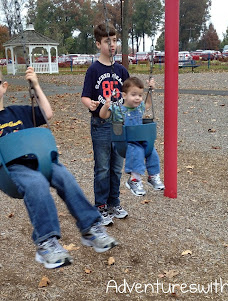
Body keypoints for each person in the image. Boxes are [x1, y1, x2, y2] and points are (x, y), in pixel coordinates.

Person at [0, 60, 118, 269]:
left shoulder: (20, 112)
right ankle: (46, 243)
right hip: (11, 170)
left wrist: (36, 85)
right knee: (37, 183)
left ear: (4, 86)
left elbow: (47, 113)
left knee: (65, 177)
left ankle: (90, 228)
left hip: (41, 161)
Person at [81, 23, 129, 225]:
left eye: (115, 40)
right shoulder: (93, 70)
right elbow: (85, 96)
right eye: (107, 41)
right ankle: (100, 206)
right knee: (102, 167)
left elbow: (129, 95)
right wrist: (88, 103)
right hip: (100, 124)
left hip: (119, 125)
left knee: (116, 167)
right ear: (98, 43)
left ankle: (113, 202)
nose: (112, 44)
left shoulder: (121, 70)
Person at [99, 76, 165, 196]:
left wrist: (150, 91)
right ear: (124, 95)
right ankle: (134, 180)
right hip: (126, 143)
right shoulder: (118, 109)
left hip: (141, 139)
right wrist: (105, 106)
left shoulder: (139, 108)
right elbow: (103, 116)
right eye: (134, 94)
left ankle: (153, 176)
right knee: (138, 151)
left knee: (151, 151)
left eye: (140, 95)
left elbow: (148, 104)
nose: (138, 98)